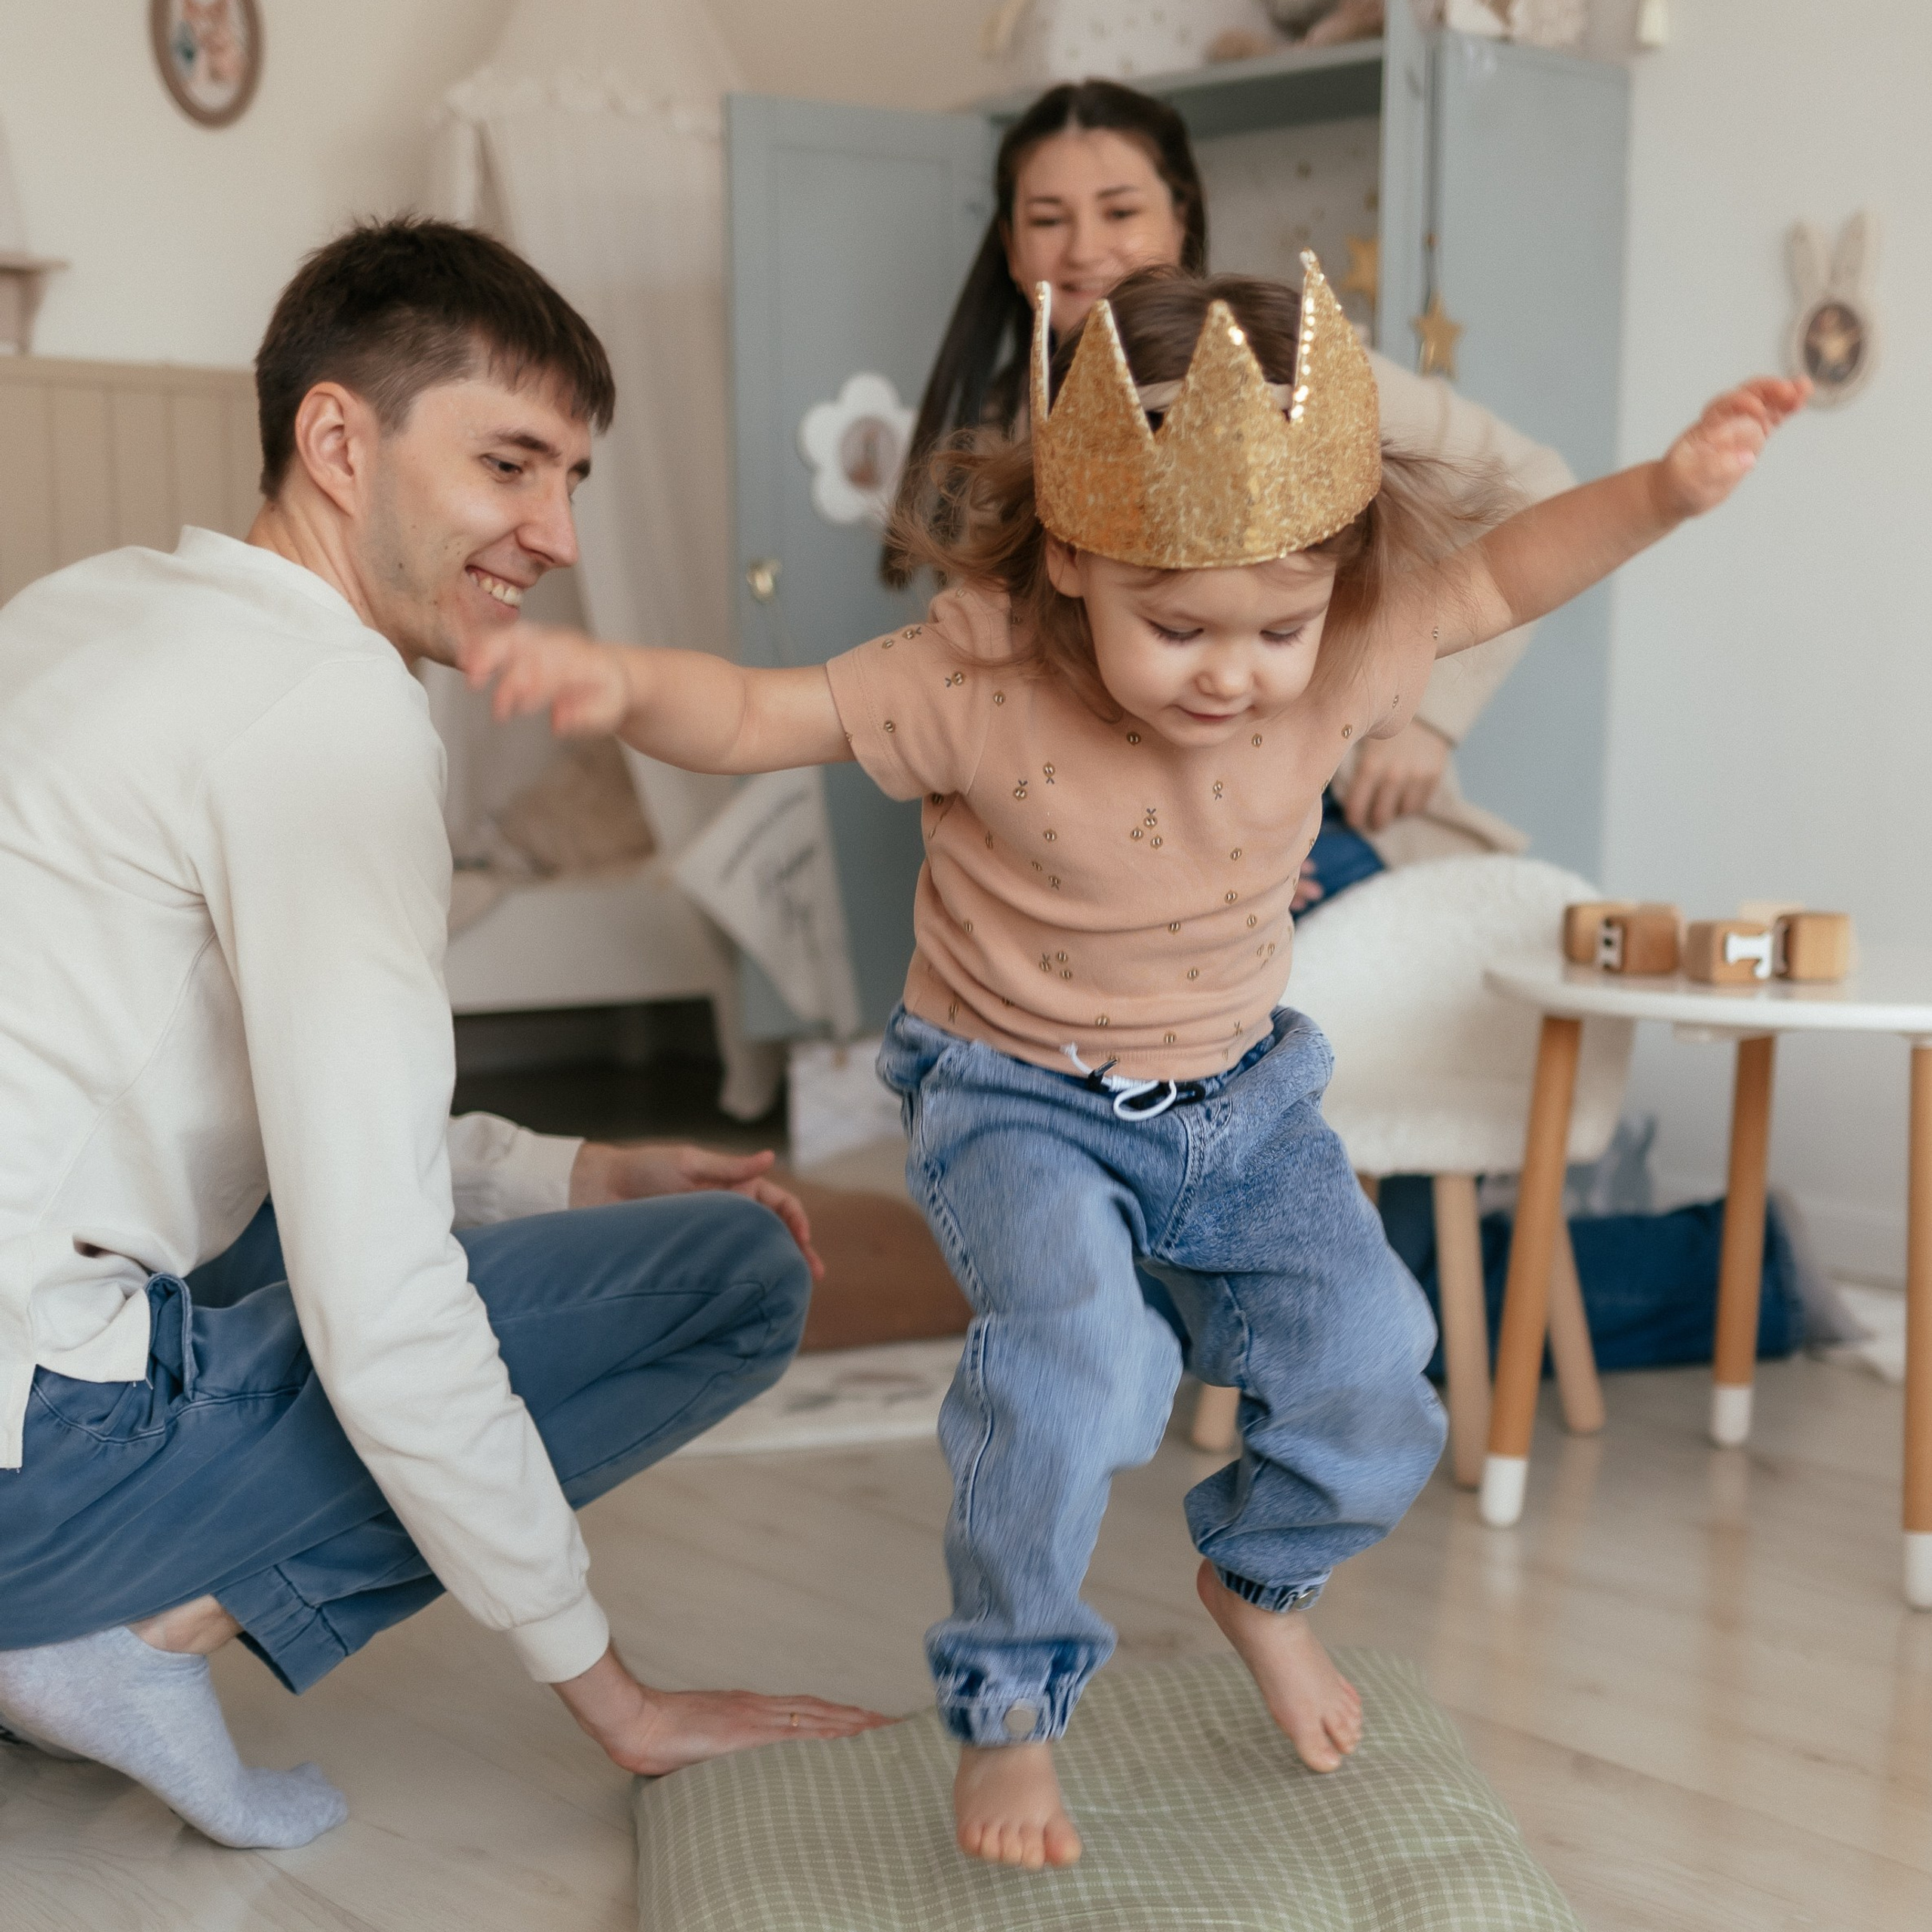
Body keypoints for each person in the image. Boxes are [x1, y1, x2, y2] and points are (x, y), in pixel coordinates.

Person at [463, 258, 1804, 1870]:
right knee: (1084, 1366)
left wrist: (1664, 488)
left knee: (1379, 1360)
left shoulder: (1347, 650)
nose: (1231, 670)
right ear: (1073, 558)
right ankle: (1010, 1707)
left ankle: (1260, 1579)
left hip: (1240, 1099)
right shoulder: (971, 676)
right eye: (1173, 626)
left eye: (1277, 627)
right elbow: (758, 712)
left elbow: (1507, 572)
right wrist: (616, 686)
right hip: (1013, 1097)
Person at [0, 218, 884, 1852]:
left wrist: (570, 1167)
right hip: (25, 1476)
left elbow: (235, 1104)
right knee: (734, 1276)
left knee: (366, 1214)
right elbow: (381, 1295)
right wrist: (617, 1695)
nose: (552, 532)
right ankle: (131, 1632)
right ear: (339, 439)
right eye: (508, 465)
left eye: (574, 480)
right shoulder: (327, 715)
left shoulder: (99, 603)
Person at [885, 78, 1571, 899]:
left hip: (1322, 812)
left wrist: (1429, 716)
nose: (1082, 248)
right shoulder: (1004, 429)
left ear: (1181, 218)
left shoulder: (1287, 369)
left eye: (1118, 210)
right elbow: (1012, 705)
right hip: (1125, 840)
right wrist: (1185, 850)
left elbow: (1537, 486)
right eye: (1046, 219)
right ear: (1010, 245)